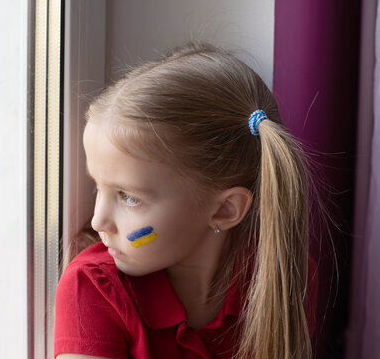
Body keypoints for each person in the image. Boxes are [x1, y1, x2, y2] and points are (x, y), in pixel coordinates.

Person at [54, 42, 318, 359]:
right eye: (99, 187)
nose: (98, 222)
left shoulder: (282, 273)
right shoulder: (92, 286)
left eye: (128, 197)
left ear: (224, 209)